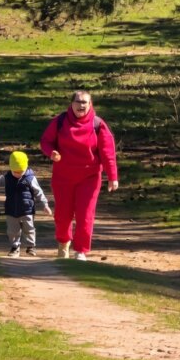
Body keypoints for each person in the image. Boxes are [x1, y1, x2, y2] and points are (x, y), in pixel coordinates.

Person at [39, 90, 119, 261]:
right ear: (71, 103)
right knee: (63, 214)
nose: (81, 106)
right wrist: (51, 152)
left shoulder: (98, 125)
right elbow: (46, 141)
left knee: (85, 214)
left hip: (89, 178)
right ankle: (63, 245)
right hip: (63, 177)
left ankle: (81, 251)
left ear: (90, 105)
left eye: (85, 102)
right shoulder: (60, 121)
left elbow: (107, 152)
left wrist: (113, 177)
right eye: (78, 102)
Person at [0, 151, 52, 257]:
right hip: (11, 209)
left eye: (20, 172)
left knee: (29, 228)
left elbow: (38, 192)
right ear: (11, 168)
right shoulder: (7, 177)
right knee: (12, 230)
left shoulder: (30, 178)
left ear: (26, 168)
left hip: (27, 209)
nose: (17, 174)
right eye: (15, 172)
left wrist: (45, 205)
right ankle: (15, 247)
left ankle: (31, 246)